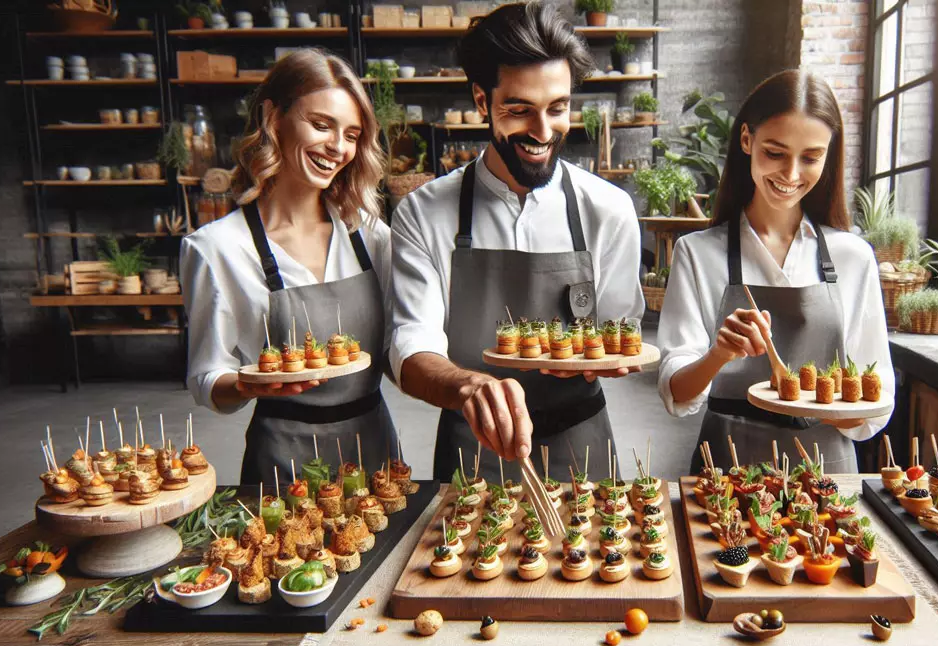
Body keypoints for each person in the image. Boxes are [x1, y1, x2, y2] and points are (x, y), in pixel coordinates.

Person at [389, 2, 645, 479]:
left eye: (558, 108)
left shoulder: (608, 210)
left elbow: (617, 326)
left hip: (581, 443)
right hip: (473, 445)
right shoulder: (422, 214)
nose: (543, 132)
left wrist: (601, 359)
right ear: (482, 101)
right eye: (519, 109)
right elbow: (410, 345)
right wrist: (468, 387)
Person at [657, 69, 893, 474]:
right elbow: (676, 393)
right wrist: (719, 354)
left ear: (829, 155)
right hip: (725, 473)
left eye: (811, 157)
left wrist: (815, 401)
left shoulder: (854, 257)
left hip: (827, 475)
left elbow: (874, 408)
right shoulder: (697, 253)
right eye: (775, 152)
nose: (791, 174)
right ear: (746, 140)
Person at [181, 49, 398, 484]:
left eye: (352, 134)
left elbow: (400, 348)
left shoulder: (370, 235)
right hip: (281, 461)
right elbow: (207, 377)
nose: (338, 147)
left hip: (375, 450)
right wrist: (245, 385)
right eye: (321, 125)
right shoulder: (217, 248)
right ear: (272, 117)